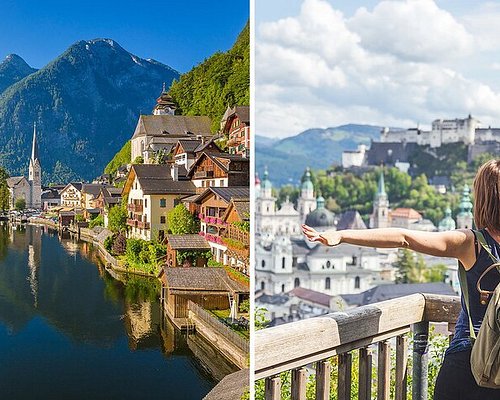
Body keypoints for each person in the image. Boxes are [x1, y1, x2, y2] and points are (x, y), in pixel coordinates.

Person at [302, 159, 500, 400]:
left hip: (469, 360)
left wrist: (341, 235)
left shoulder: (472, 243)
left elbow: (404, 237)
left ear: (483, 198)